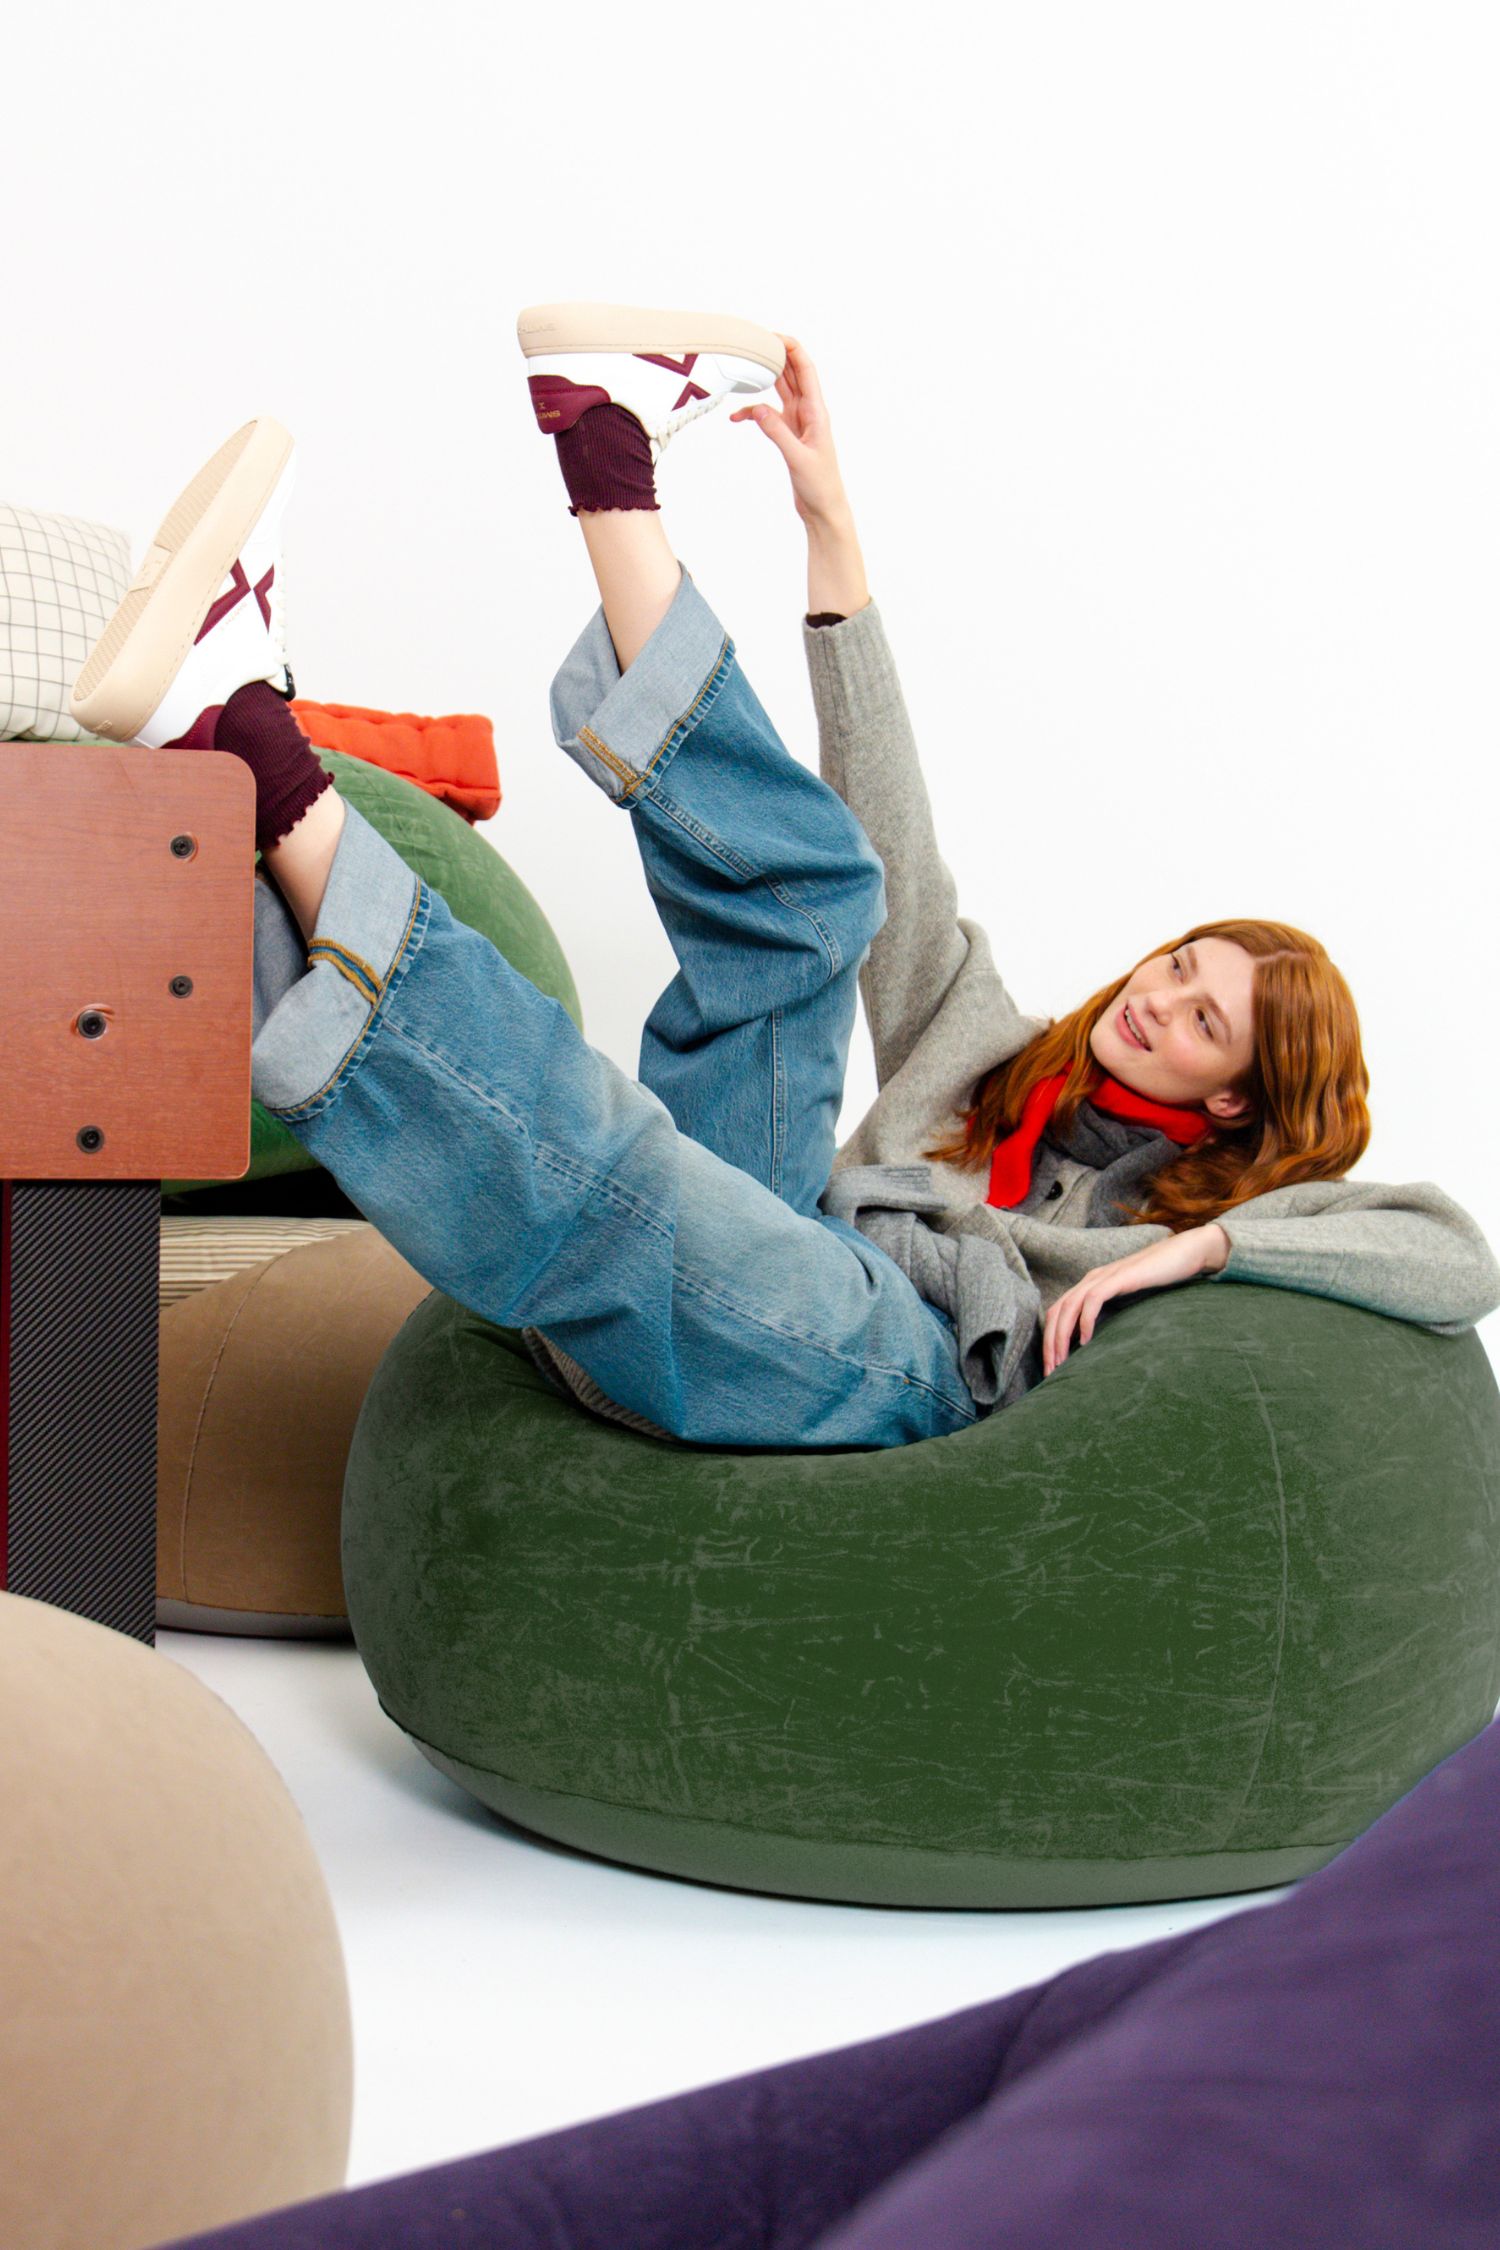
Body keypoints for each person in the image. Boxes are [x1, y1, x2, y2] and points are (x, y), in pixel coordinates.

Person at [68, 304, 1500, 1450]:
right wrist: (833, 537)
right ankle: (606, 457)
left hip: (899, 1369)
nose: (1159, 999)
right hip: (765, 1262)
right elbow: (892, 836)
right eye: (1178, 966)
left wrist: (1197, 1255)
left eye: (1204, 1020)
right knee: (821, 897)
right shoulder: (990, 1057)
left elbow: (1452, 1251)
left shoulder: (1205, 1211)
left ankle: (264, 757)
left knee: (632, 1161)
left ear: (1239, 1097)